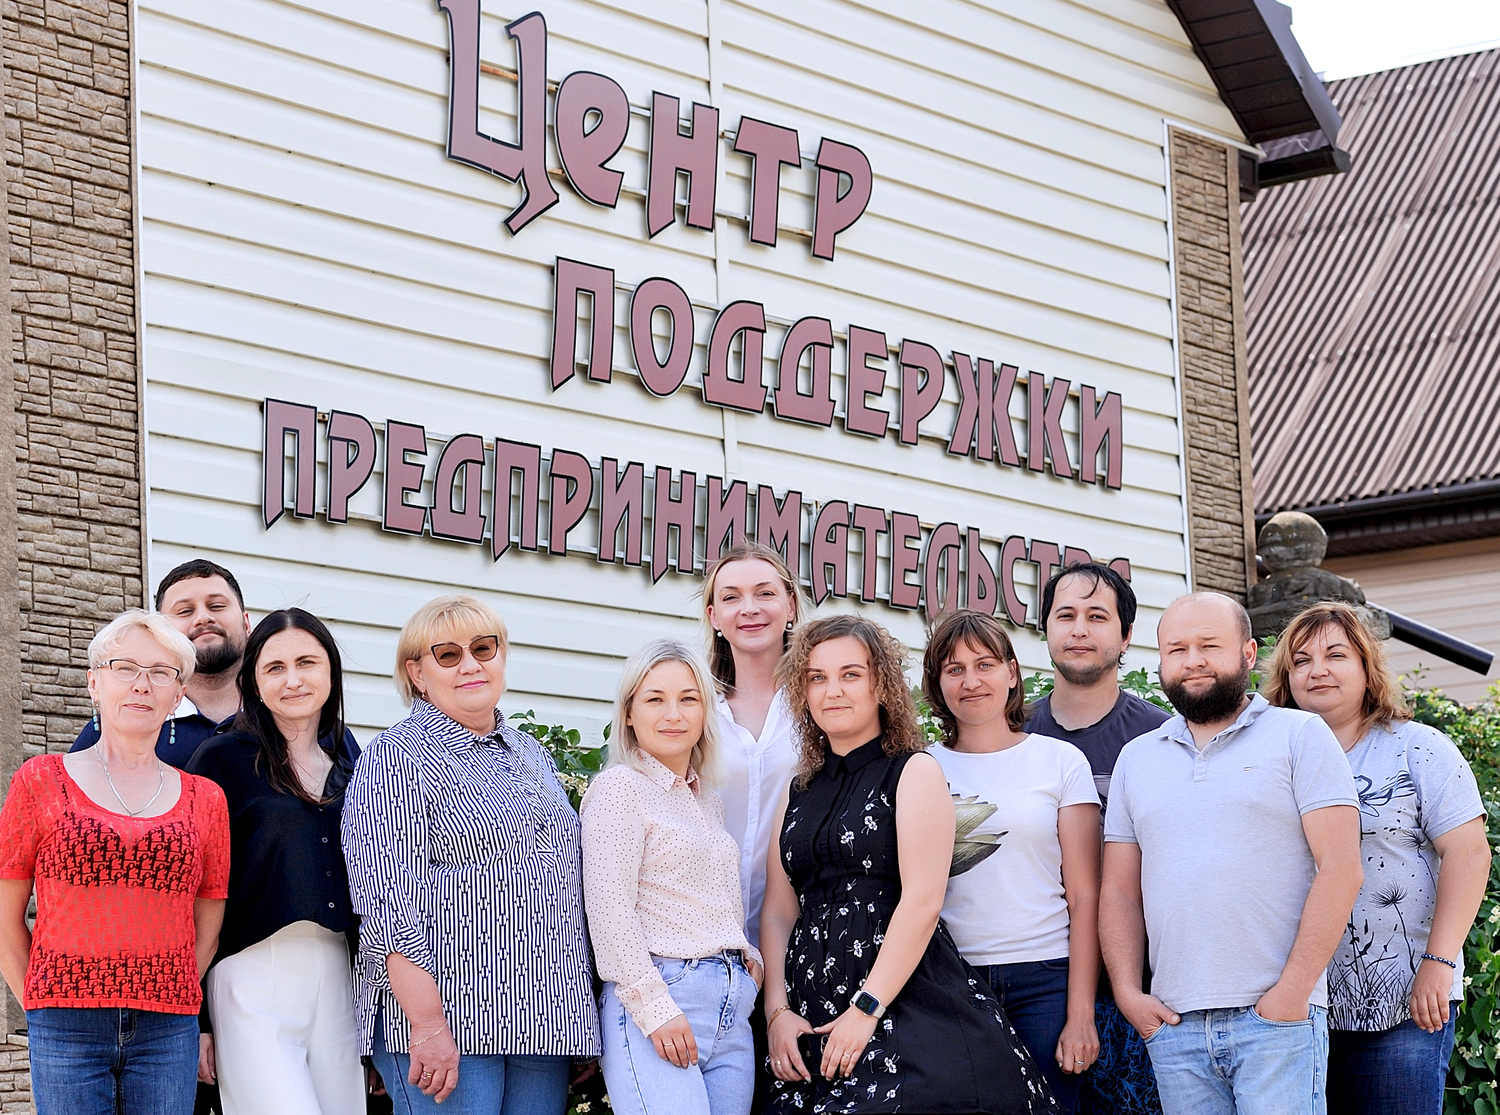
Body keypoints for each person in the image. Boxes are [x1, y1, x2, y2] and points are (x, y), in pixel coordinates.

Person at [761, 614, 1058, 1115]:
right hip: (807, 1010)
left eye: (851, 674)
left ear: (880, 685)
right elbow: (778, 910)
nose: (833, 690)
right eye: (817, 677)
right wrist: (777, 1013)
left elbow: (923, 900)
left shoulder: (914, 770)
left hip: (899, 998)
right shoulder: (797, 790)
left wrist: (866, 1009)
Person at [1099, 592, 1364, 1115]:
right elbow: (1119, 890)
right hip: (1174, 1025)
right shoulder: (1137, 758)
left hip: (1276, 1023)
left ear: (1248, 652)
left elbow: (1341, 869)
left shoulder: (1300, 735)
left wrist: (1292, 994)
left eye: (1209, 645)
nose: (1192, 660)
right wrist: (1129, 994)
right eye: (1176, 649)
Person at [342, 594, 599, 1115]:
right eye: (448, 654)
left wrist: (581, 1018)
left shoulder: (530, 753)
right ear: (417, 673)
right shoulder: (397, 755)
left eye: (483, 648)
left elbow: (568, 886)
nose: (470, 665)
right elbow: (387, 906)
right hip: (450, 1025)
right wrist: (426, 1024)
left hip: (547, 1024)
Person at [1262, 602, 1490, 1115]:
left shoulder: (1417, 748)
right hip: (1292, 1005)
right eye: (1301, 661)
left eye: (1335, 655)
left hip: (1404, 1003)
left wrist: (1439, 963)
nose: (1317, 670)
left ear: (1367, 668)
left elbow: (1470, 854)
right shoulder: (1272, 757)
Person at [0, 609, 230, 1115]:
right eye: (124, 668)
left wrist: (169, 990)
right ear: (94, 684)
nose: (141, 685)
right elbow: (4, 915)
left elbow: (208, 923)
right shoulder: (40, 781)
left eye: (161, 673)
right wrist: (37, 1004)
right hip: (65, 1022)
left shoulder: (207, 799)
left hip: (167, 1029)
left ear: (178, 694)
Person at [188, 609, 366, 1115]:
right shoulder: (221, 760)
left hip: (341, 977)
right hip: (250, 975)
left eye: (306, 663)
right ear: (254, 682)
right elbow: (192, 891)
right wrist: (197, 1020)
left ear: (330, 671)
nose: (293, 680)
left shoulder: (355, 763)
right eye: (275, 668)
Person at [922, 610, 1100, 1114]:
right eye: (954, 669)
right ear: (938, 684)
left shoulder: (1059, 761)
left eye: (985, 664)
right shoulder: (919, 767)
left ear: (1012, 673)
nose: (971, 681)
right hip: (950, 979)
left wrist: (1080, 1013)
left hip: (1045, 980)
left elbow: (1086, 895)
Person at [583, 640, 764, 1115]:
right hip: (662, 998)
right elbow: (609, 909)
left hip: (731, 1009)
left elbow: (711, 893)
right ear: (628, 713)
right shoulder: (620, 788)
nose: (673, 714)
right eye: (655, 699)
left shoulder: (706, 798)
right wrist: (654, 1008)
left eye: (688, 699)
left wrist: (747, 955)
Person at [1026, 562, 1168, 1115]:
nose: (1079, 630)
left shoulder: (1162, 738)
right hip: (1035, 981)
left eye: (1097, 617)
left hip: (1144, 986)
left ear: (1126, 636)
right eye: (1065, 616)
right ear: (1045, 630)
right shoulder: (1012, 735)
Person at [71, 559, 252, 768]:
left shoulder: (280, 714)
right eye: (185, 611)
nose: (203, 618)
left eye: (217, 606)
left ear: (246, 623)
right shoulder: (116, 725)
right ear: (162, 631)